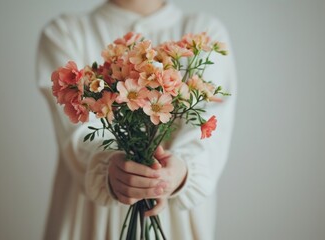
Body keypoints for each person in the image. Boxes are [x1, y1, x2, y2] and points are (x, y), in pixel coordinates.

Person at [36, 0, 237, 239]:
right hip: (90, 221)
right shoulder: (65, 31)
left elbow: (208, 129)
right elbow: (76, 135)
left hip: (177, 219)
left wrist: (181, 173)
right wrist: (109, 170)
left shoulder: (205, 32)